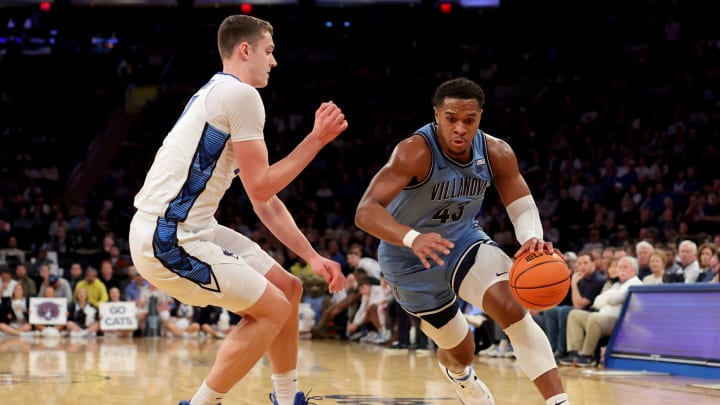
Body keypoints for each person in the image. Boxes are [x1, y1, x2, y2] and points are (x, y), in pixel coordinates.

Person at [127, 14, 347, 405]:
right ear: (245, 50)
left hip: (189, 228)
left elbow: (261, 198)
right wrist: (316, 140)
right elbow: (263, 184)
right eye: (269, 51)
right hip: (168, 236)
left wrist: (311, 256)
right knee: (271, 310)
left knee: (289, 289)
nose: (274, 61)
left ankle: (285, 397)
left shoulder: (219, 92)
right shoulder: (242, 95)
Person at [355, 77, 570, 405]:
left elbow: (521, 203)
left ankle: (559, 402)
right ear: (437, 115)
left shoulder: (496, 151)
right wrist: (412, 238)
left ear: (479, 117)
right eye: (451, 119)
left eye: (468, 120)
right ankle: (460, 377)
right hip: (408, 260)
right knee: (461, 351)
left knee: (512, 310)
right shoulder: (414, 152)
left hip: (462, 241)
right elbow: (365, 211)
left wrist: (531, 238)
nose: (460, 128)